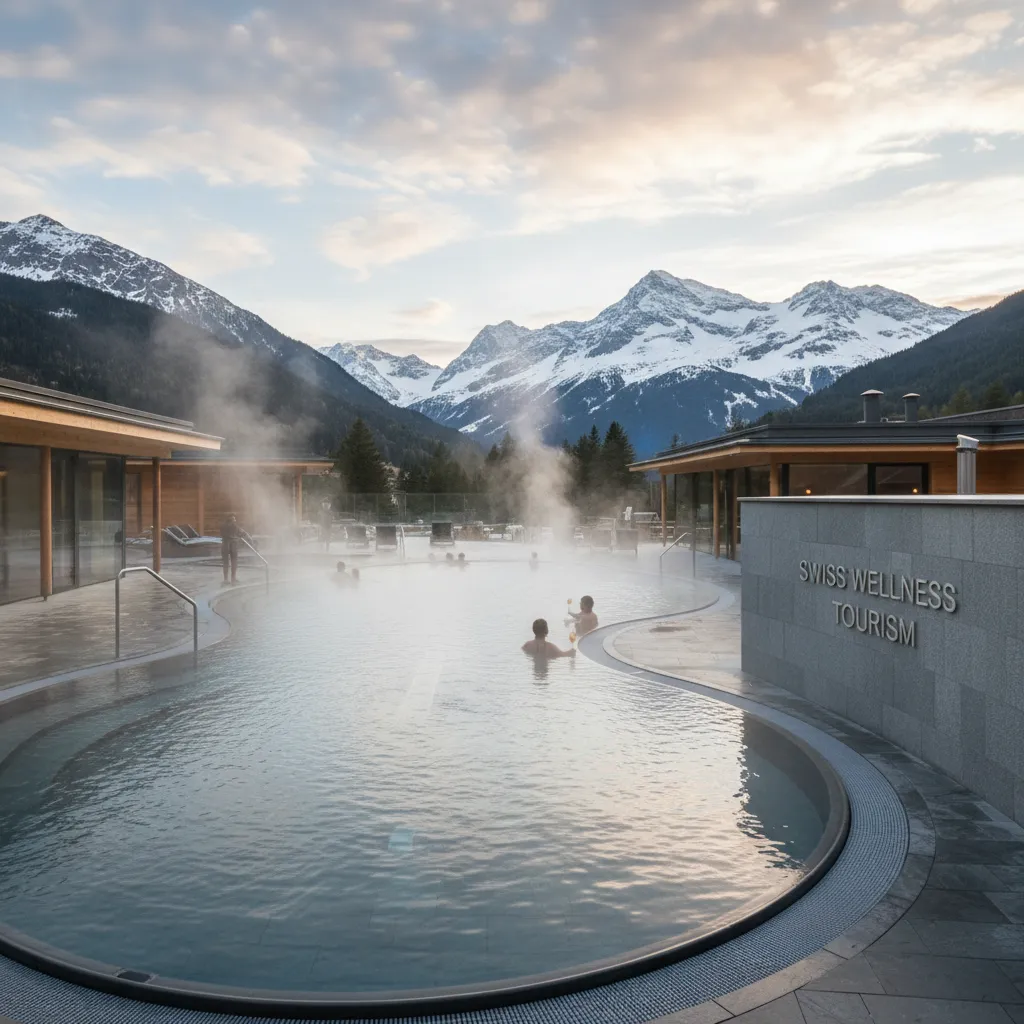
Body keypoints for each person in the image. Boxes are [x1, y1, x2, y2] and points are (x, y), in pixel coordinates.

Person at [220, 513, 242, 584]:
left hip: (225, 544)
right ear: (231, 520)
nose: (235, 520)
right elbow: (240, 533)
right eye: (234, 519)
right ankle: (233, 578)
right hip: (232, 544)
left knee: (226, 562)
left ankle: (226, 579)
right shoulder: (234, 526)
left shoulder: (223, 526)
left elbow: (223, 534)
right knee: (234, 562)